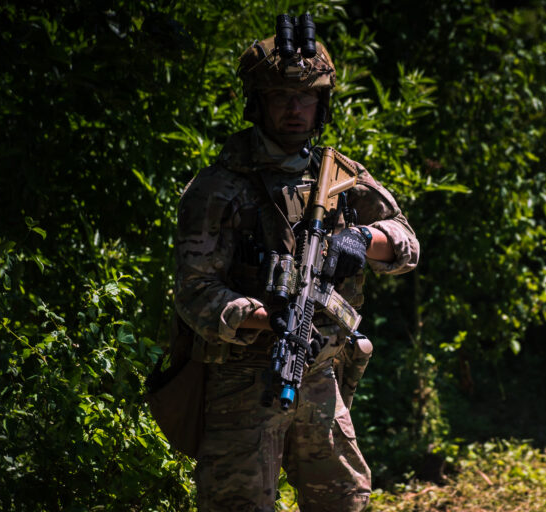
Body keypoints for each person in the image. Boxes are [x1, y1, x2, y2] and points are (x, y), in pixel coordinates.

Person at [173, 17, 419, 512]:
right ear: (258, 102)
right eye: (281, 96)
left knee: (344, 501)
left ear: (321, 103)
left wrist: (364, 239)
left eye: (305, 97)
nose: (294, 108)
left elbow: (406, 242)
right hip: (243, 382)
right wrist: (265, 317)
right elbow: (194, 291)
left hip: (323, 374)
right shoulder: (219, 187)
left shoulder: (341, 176)